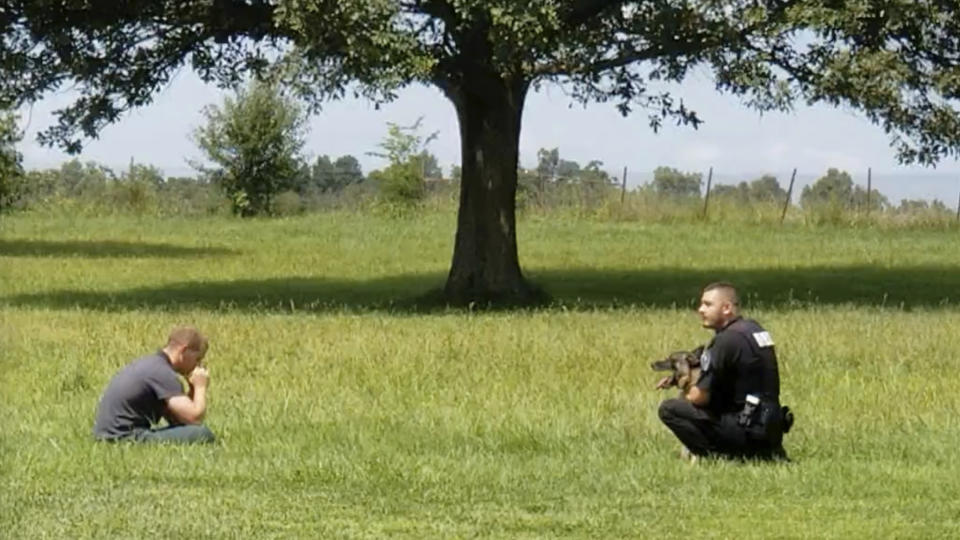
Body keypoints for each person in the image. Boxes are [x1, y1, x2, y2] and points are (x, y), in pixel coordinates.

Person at [657, 282, 791, 462]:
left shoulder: (724, 341)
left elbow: (699, 397)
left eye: (708, 304)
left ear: (727, 308)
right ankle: (765, 452)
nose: (700, 309)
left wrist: (685, 388)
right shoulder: (754, 329)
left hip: (747, 431)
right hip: (772, 428)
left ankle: (723, 456)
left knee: (670, 409)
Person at [93, 326, 215, 444]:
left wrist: (192, 388)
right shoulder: (163, 373)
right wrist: (200, 386)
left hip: (108, 436)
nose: (198, 364)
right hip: (125, 438)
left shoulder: (153, 364)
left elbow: (179, 419)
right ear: (183, 350)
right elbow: (194, 418)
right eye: (197, 358)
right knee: (202, 433)